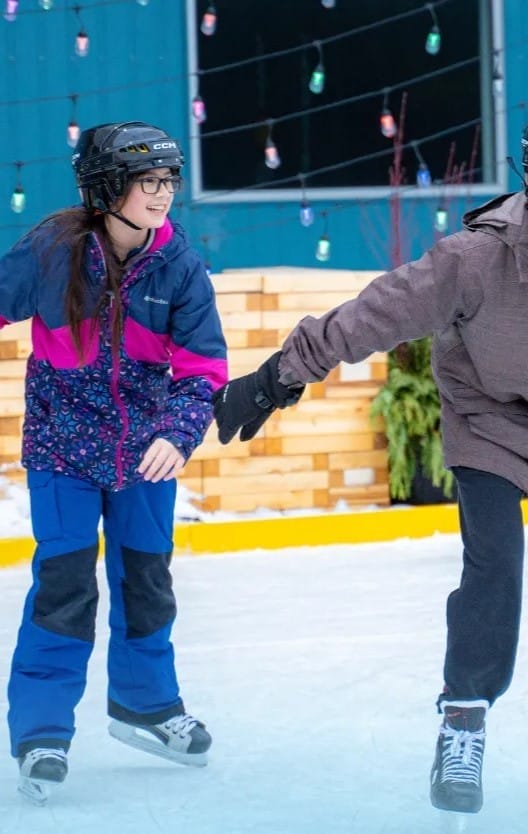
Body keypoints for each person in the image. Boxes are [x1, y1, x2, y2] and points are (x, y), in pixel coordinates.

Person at [212, 106, 528, 814]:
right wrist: (276, 377)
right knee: (493, 570)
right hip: (486, 419)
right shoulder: (472, 261)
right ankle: (464, 715)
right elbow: (369, 316)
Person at [0, 122, 228, 804]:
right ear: (106, 189)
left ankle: (146, 707)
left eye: (167, 182)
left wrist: (179, 434)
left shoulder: (180, 267)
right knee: (65, 584)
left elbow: (204, 368)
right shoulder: (52, 252)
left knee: (147, 585)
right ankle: (41, 727)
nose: (161, 196)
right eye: (146, 182)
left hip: (145, 460)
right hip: (63, 450)